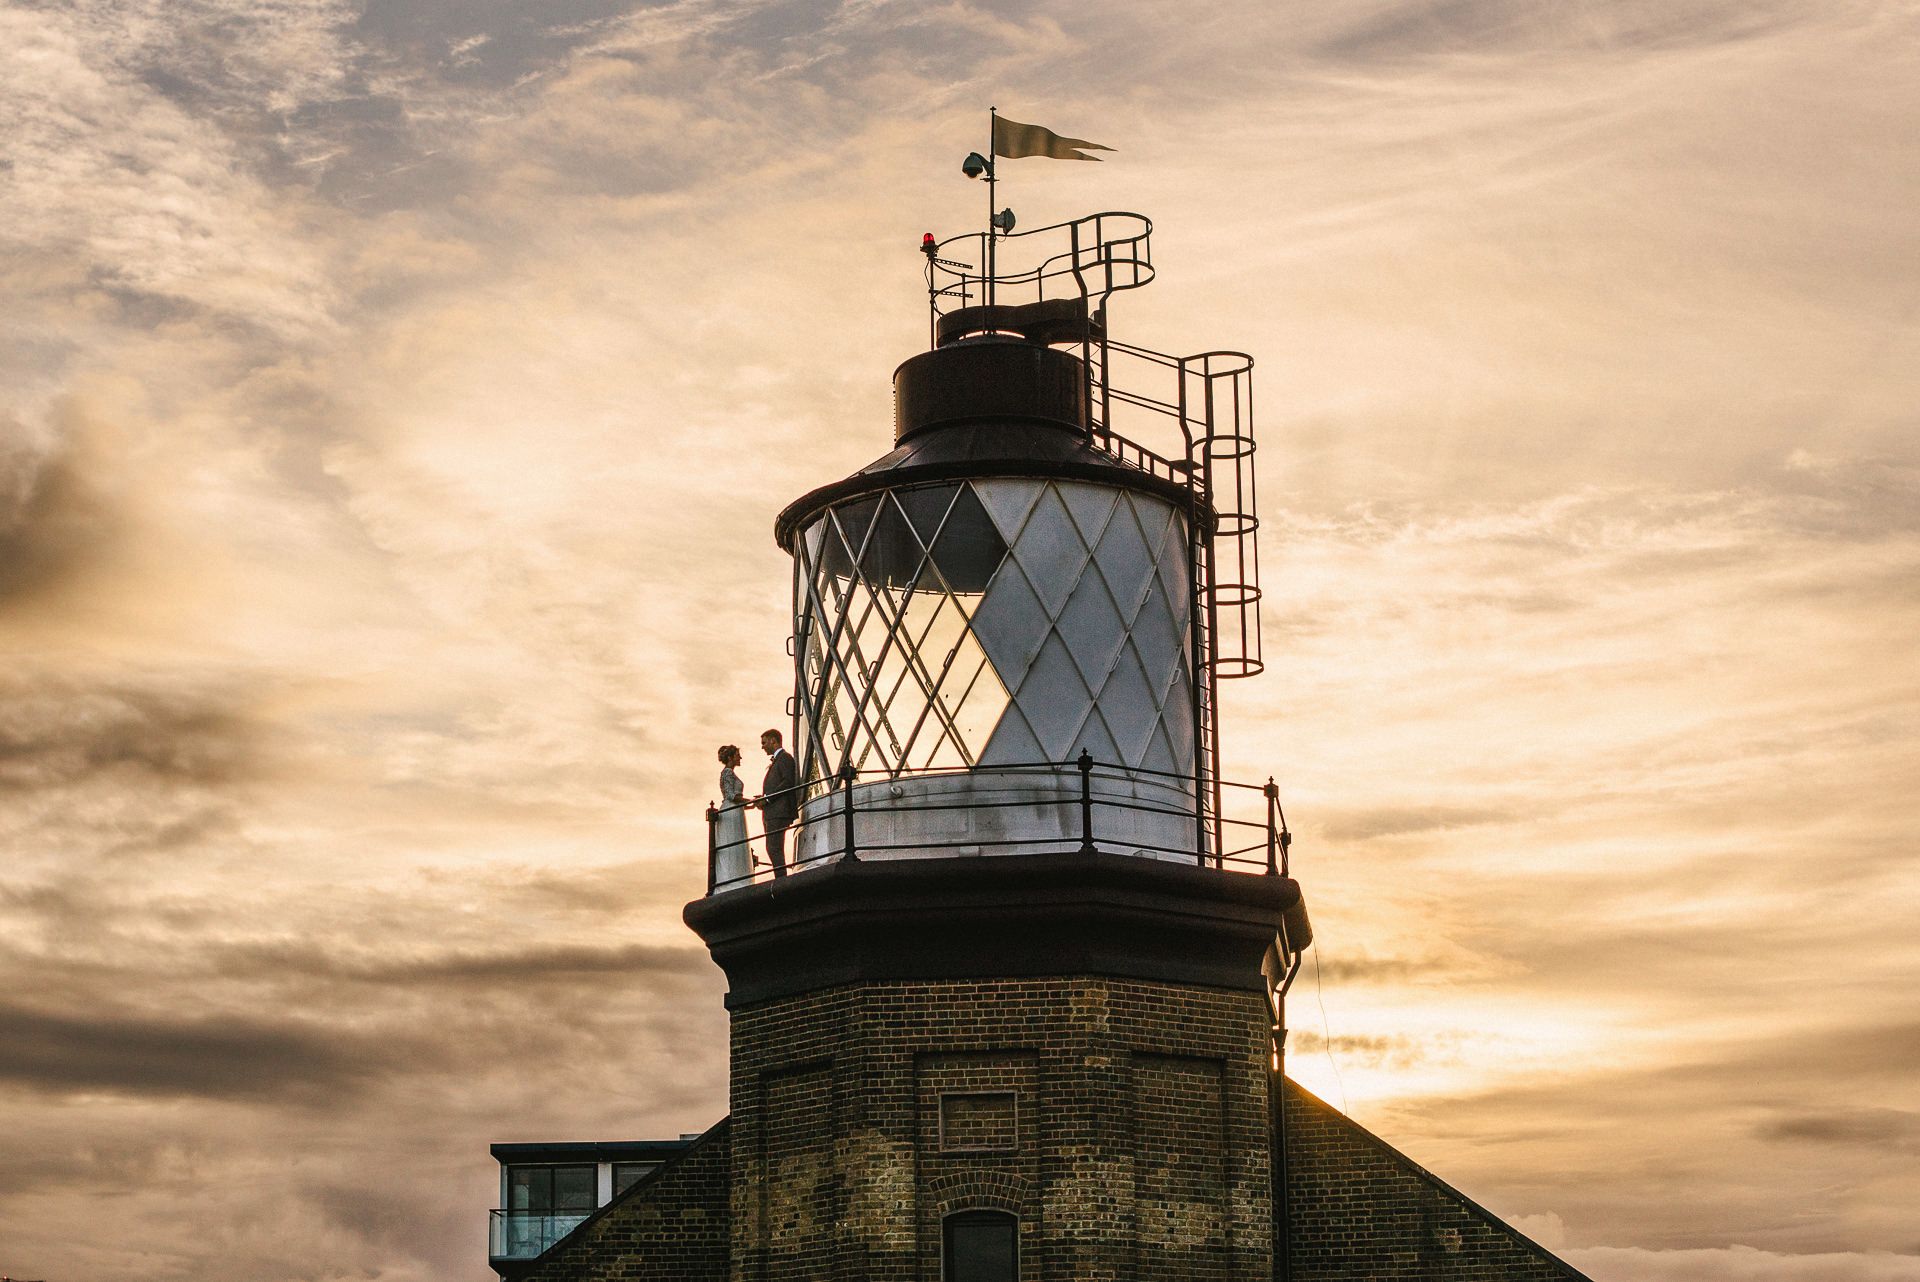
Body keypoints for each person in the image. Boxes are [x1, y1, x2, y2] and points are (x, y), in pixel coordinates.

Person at [755, 728, 798, 877]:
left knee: (774, 847)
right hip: (773, 811)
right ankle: (780, 878)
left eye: (764, 742)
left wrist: (766, 798)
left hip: (779, 811)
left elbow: (788, 782)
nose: (762, 746)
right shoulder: (780, 759)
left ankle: (781, 880)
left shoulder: (785, 758)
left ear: (774, 740)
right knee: (772, 847)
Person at [712, 744, 750, 888]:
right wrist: (751, 801)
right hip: (731, 811)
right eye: (737, 755)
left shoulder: (730, 773)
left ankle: (737, 877)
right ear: (730, 758)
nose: (740, 758)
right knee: (733, 842)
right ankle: (733, 879)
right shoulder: (727, 773)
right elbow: (731, 795)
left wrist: (748, 804)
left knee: (736, 843)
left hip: (736, 810)